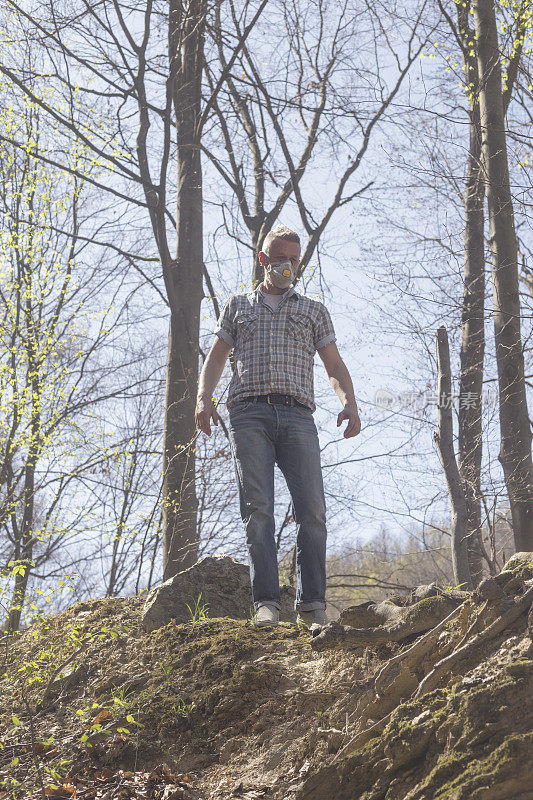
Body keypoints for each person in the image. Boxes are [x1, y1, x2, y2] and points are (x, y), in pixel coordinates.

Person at [195, 225, 361, 628]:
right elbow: (217, 358)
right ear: (263, 259)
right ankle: (266, 603)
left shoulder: (313, 310)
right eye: (279, 257)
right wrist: (203, 398)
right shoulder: (238, 306)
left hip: (298, 416)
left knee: (313, 511)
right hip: (248, 414)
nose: (286, 264)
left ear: (299, 263)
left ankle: (313, 607)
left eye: (293, 258)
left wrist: (349, 404)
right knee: (258, 510)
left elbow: (334, 365)